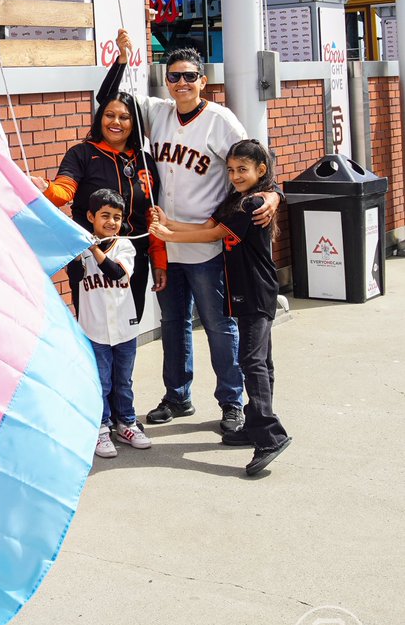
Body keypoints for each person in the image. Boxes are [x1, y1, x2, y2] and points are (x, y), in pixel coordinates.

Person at [105, 33, 281, 434]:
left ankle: (231, 401)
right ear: (165, 81)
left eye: (189, 76)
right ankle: (178, 395)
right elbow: (111, 100)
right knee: (173, 323)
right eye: (173, 77)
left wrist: (274, 193)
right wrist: (122, 58)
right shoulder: (158, 112)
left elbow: (258, 160)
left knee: (220, 327)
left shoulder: (220, 119)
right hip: (165, 242)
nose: (181, 83)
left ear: (203, 80)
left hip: (208, 241)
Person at [150, 139, 292, 476]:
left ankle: (270, 436)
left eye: (242, 169)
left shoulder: (253, 203)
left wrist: (168, 237)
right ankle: (255, 425)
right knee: (262, 360)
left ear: (261, 170)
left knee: (252, 360)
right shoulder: (234, 201)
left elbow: (211, 236)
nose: (235, 175)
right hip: (241, 291)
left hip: (257, 292)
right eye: (230, 170)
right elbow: (203, 227)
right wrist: (169, 222)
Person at [32, 87, 167, 325]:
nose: (116, 122)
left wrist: (159, 261)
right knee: (93, 332)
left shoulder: (146, 161)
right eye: (109, 115)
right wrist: (46, 189)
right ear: (99, 118)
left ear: (134, 123)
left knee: (127, 332)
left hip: (130, 261)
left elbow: (151, 216)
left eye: (124, 117)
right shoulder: (81, 153)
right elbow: (64, 191)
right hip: (88, 258)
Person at [73, 189, 152, 459]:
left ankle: (127, 424)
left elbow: (117, 272)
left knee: (123, 382)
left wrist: (92, 247)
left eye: (116, 217)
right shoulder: (78, 250)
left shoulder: (125, 246)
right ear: (90, 216)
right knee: (101, 382)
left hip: (124, 328)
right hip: (94, 330)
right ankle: (101, 427)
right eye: (104, 215)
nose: (111, 222)